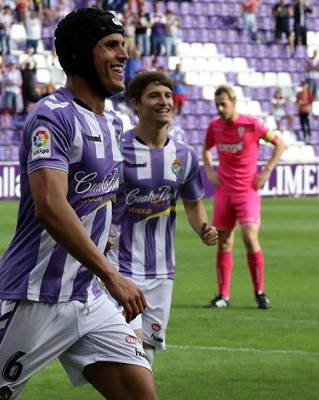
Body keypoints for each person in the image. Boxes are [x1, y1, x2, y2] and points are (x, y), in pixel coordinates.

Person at [0, 9, 156, 400]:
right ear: (83, 54)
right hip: (33, 297)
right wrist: (112, 275)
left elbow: (97, 201)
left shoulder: (114, 123)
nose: (123, 54)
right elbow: (50, 206)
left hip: (88, 297)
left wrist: (106, 242)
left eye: (123, 45)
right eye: (111, 46)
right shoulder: (51, 117)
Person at [107, 71, 217, 367]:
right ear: (136, 105)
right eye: (154, 96)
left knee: (147, 351)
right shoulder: (116, 149)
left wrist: (203, 229)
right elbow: (95, 198)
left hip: (162, 271)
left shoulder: (186, 155)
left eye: (168, 96)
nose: (164, 101)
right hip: (119, 265)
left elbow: (193, 205)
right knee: (128, 348)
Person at [203, 85, 286, 309]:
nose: (220, 108)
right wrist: (210, 171)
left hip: (247, 190)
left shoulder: (252, 125)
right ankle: (223, 296)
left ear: (234, 102)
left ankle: (259, 292)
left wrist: (266, 170)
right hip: (224, 191)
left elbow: (279, 144)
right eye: (217, 105)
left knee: (249, 237)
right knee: (224, 241)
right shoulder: (215, 127)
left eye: (224, 104)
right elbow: (206, 149)